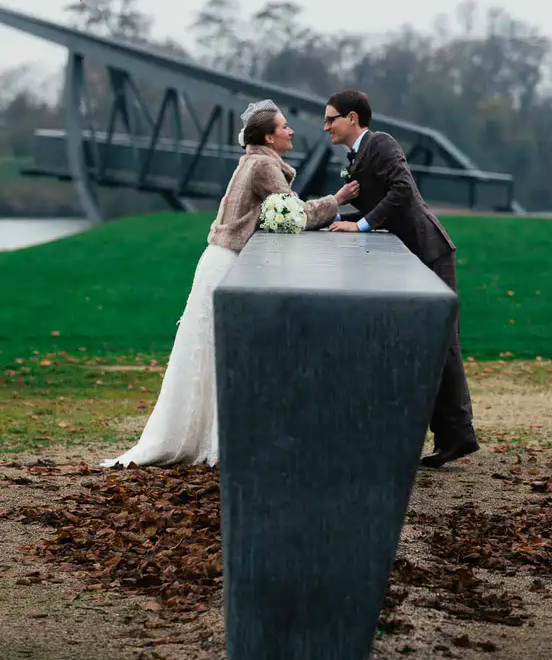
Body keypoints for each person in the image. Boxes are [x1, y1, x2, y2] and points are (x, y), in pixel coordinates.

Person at [101, 99, 359, 468]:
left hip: (217, 261)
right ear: (269, 137)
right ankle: (223, 442)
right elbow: (294, 214)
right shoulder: (264, 167)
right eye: (284, 127)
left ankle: (205, 435)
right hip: (230, 266)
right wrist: (336, 200)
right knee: (226, 352)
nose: (290, 132)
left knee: (207, 351)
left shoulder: (251, 161)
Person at [325, 89, 479, 468]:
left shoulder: (381, 143)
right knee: (430, 342)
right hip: (409, 257)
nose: (325, 126)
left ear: (353, 119)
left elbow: (402, 190)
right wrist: (339, 211)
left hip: (428, 250)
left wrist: (360, 225)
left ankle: (457, 436)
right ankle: (451, 437)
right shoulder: (357, 156)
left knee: (444, 343)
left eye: (331, 118)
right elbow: (381, 199)